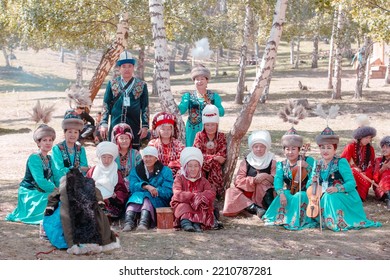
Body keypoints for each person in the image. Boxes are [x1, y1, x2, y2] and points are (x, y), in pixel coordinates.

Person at [310, 126, 381, 231]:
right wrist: (314, 183)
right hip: (324, 194)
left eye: (329, 147)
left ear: (335, 149)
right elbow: (309, 184)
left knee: (330, 196)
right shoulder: (317, 163)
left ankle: (334, 221)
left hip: (345, 195)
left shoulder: (341, 162)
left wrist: (336, 189)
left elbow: (351, 183)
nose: (325, 151)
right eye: (322, 147)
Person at [43, 168, 121, 254]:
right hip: (91, 214)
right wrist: (101, 204)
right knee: (97, 218)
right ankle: (93, 244)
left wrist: (50, 208)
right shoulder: (89, 184)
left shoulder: (63, 186)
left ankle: (76, 245)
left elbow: (52, 197)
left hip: (71, 217)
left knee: (59, 218)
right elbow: (98, 195)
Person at [6, 124, 61, 225]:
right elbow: (40, 180)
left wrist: (62, 187)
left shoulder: (50, 159)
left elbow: (56, 177)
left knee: (60, 197)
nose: (48, 143)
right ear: (38, 143)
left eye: (50, 140)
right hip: (29, 191)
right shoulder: (34, 158)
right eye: (44, 140)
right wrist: (54, 189)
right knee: (51, 199)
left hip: (41, 189)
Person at [262, 127, 316, 230]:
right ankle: (277, 219)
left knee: (299, 196)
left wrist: (307, 167)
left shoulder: (308, 160)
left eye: (293, 149)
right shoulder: (281, 164)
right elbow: (278, 180)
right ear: (284, 150)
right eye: (287, 149)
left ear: (299, 150)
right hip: (290, 191)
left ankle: (294, 221)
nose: (290, 152)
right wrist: (281, 194)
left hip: (305, 192)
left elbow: (315, 176)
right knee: (285, 195)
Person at [99, 50, 149, 150]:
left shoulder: (141, 85)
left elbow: (145, 107)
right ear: (119, 68)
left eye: (129, 66)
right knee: (114, 150)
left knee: (133, 152)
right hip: (115, 123)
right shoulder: (112, 83)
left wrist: (145, 125)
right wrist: (103, 123)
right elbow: (106, 104)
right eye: (124, 66)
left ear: (133, 67)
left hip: (134, 125)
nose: (127, 69)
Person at [223, 130, 276, 218]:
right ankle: (254, 208)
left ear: (266, 147)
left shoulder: (272, 161)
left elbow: (277, 178)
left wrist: (266, 176)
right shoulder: (246, 161)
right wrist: (253, 180)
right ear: (252, 148)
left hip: (264, 194)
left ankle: (264, 209)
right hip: (247, 193)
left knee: (263, 186)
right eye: (256, 146)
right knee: (231, 191)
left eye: (262, 146)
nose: (259, 149)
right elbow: (238, 180)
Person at [123, 146, 173, 231]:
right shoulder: (136, 170)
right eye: (146, 156)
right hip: (139, 198)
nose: (148, 159)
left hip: (158, 199)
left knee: (147, 198)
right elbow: (132, 187)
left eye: (151, 156)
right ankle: (128, 222)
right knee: (135, 196)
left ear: (156, 158)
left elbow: (168, 191)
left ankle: (144, 223)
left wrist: (156, 190)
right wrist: (146, 186)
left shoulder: (165, 171)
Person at [193, 104, 226, 229]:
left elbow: (222, 158)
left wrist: (208, 158)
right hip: (201, 167)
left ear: (217, 124)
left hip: (214, 170)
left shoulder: (221, 136)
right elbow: (197, 155)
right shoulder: (199, 136)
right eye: (207, 125)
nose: (210, 127)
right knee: (200, 167)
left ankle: (212, 199)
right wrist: (213, 157)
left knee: (216, 166)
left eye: (213, 124)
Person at [170, 147, 216, 232]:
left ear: (199, 167)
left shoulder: (203, 180)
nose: (193, 169)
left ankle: (197, 224)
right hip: (183, 203)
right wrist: (192, 197)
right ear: (185, 167)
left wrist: (200, 197)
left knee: (201, 207)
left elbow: (211, 192)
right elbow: (177, 193)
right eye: (190, 166)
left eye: (196, 166)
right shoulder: (179, 178)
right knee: (184, 207)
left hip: (198, 204)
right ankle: (186, 223)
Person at [178, 64, 224, 147]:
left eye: (202, 79)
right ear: (194, 81)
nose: (199, 81)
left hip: (210, 130)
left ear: (207, 81)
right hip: (192, 130)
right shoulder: (188, 96)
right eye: (197, 79)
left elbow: (222, 112)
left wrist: (213, 107)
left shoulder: (214, 96)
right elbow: (181, 110)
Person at [86, 141, 129, 219]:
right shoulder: (93, 171)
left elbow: (122, 190)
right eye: (104, 157)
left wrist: (116, 195)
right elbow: (87, 187)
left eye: (109, 157)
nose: (106, 160)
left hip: (111, 201)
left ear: (113, 158)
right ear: (100, 157)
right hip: (96, 199)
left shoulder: (116, 171)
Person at [340, 115, 377, 201]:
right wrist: (354, 169)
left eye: (370, 138)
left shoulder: (370, 149)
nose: (368, 140)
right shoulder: (350, 146)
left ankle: (359, 195)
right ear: (360, 137)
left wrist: (365, 173)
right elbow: (342, 162)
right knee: (353, 173)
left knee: (365, 179)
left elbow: (371, 165)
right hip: (352, 173)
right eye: (366, 138)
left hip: (365, 175)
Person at [52, 110, 89, 177]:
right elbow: (59, 170)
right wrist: (78, 169)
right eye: (69, 132)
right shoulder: (57, 149)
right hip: (62, 182)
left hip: (78, 181)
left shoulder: (81, 149)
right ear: (64, 133)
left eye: (76, 132)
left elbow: (85, 168)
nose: (73, 135)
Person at [148, 111, 184, 178]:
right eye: (163, 129)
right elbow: (149, 160)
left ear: (172, 130)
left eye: (168, 129)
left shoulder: (178, 144)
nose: (166, 132)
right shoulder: (152, 144)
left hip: (175, 175)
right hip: (157, 173)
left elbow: (182, 159)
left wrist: (172, 165)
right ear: (158, 130)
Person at [373, 136, 390, 210]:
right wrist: (382, 169)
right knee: (386, 176)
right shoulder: (378, 160)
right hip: (382, 188)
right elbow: (375, 179)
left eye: (387, 147)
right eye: (383, 147)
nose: (384, 149)